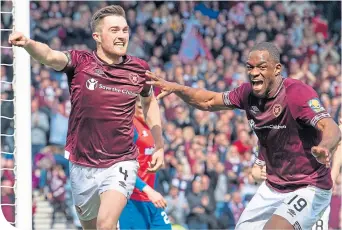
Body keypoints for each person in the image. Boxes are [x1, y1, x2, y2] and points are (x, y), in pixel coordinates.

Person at [145, 42, 341, 229]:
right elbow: (209, 101)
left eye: (261, 67)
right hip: (272, 187)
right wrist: (178, 88)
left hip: (308, 186)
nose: (254, 73)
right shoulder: (246, 94)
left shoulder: (298, 93)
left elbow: (330, 127)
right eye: (250, 67)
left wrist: (325, 146)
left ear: (277, 69)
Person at [9, 5, 164, 230]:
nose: (121, 36)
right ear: (97, 36)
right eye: (114, 30)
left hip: (120, 161)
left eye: (124, 30)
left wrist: (159, 144)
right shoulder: (80, 62)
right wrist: (28, 44)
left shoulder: (139, 70)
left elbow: (149, 102)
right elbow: (50, 56)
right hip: (82, 164)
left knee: (105, 225)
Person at [119, 98, 171, 229]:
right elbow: (122, 166)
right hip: (132, 198)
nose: (146, 112)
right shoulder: (130, 127)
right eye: (141, 108)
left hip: (151, 198)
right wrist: (148, 190)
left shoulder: (154, 129)